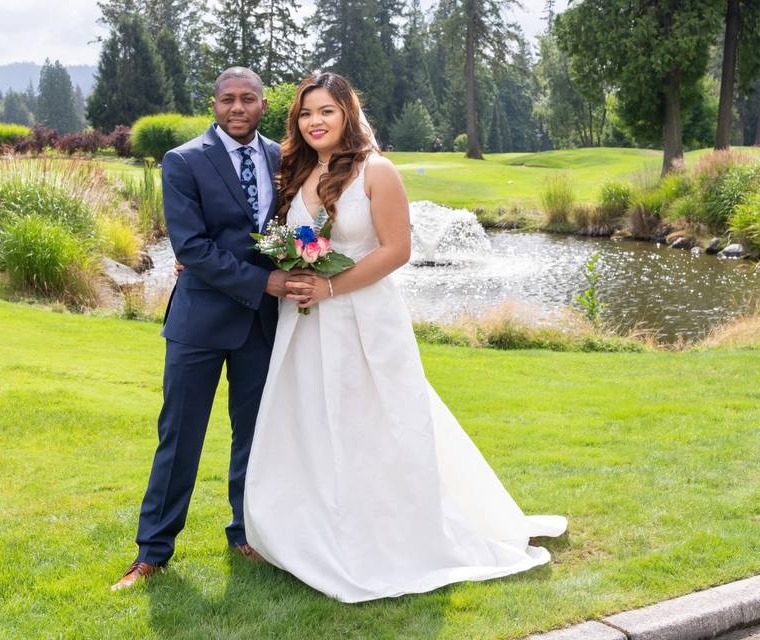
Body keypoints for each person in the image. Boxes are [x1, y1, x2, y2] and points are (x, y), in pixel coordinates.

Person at [243, 72, 567, 603]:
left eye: (326, 110)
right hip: (305, 324)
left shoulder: (377, 171)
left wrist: (329, 286)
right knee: (310, 423)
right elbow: (287, 240)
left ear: (347, 113)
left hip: (364, 320)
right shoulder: (296, 171)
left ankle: (390, 536)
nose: (315, 121)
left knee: (376, 425)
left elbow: (396, 251)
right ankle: (313, 530)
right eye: (305, 113)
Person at [111, 67, 314, 591]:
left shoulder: (282, 158)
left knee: (255, 436)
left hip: (261, 326)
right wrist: (264, 282)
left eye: (248, 99)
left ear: (263, 103)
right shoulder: (183, 161)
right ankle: (152, 551)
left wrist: (309, 262)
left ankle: (246, 533)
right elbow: (191, 249)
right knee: (179, 438)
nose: (238, 108)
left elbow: (297, 225)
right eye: (228, 99)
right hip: (199, 324)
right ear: (215, 103)